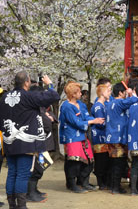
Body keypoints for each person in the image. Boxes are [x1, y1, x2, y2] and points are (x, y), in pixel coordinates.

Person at [0, 72, 59, 209]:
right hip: (25, 143)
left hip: (9, 141)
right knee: (22, 174)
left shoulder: (4, 97)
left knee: (12, 173)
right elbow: (54, 96)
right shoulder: (28, 96)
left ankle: (12, 205)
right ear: (27, 82)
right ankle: (21, 206)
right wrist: (49, 84)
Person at [59, 81, 105, 193]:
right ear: (73, 94)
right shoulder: (66, 107)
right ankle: (72, 184)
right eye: (78, 92)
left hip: (82, 136)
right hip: (72, 136)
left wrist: (95, 120)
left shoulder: (82, 105)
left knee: (89, 160)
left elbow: (86, 116)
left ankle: (83, 182)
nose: (81, 93)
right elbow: (76, 122)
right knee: (74, 161)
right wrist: (93, 121)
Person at [105, 83, 138, 194]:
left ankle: (114, 186)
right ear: (120, 92)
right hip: (118, 137)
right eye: (124, 92)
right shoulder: (119, 102)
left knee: (115, 163)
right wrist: (131, 93)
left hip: (111, 136)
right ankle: (115, 187)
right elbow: (134, 100)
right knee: (118, 163)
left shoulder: (110, 103)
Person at [27, 84, 57, 202]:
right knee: (37, 168)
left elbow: (48, 119)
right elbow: (46, 124)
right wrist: (48, 120)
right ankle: (30, 192)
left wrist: (51, 118)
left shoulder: (40, 107)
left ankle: (33, 189)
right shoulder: (34, 107)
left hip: (43, 141)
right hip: (37, 142)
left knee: (40, 166)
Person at [90, 79, 112, 190]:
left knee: (105, 160)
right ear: (102, 93)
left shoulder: (103, 105)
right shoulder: (98, 106)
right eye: (108, 91)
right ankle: (101, 182)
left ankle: (104, 181)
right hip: (99, 137)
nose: (110, 93)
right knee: (101, 160)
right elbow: (101, 123)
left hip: (103, 136)